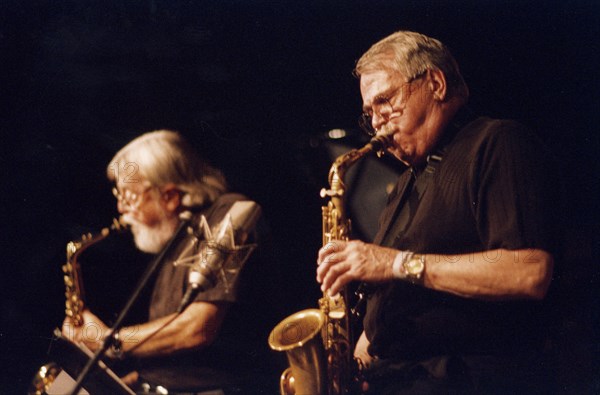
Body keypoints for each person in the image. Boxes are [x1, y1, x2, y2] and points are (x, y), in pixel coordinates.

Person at [316, 31, 559, 394]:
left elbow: (529, 271)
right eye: (369, 113)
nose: (378, 121)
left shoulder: (497, 142)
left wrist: (397, 264)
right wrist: (352, 367)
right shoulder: (404, 186)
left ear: (435, 83)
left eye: (385, 101)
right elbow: (389, 303)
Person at [62, 130, 268, 394]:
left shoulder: (230, 215)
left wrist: (108, 341)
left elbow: (197, 328)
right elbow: (174, 366)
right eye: (118, 196)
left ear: (170, 196)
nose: (122, 210)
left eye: (129, 196)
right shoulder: (175, 243)